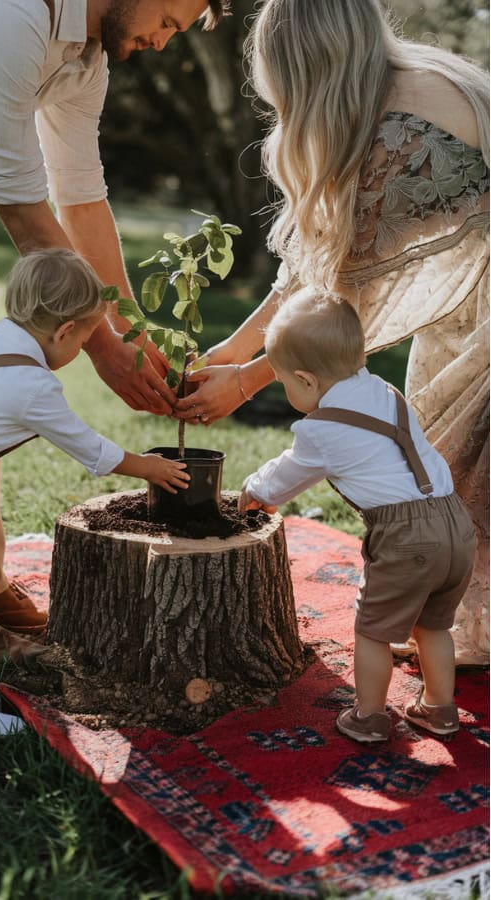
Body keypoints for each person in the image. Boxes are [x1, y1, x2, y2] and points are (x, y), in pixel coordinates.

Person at [0, 0, 230, 657]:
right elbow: (19, 202)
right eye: (169, 20)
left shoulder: (85, 56)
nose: (163, 43)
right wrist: (102, 346)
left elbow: (80, 196)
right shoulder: (9, 15)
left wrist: (131, 332)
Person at [178, 0, 489, 666]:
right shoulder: (400, 83)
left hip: (482, 316)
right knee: (439, 469)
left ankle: (457, 632)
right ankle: (451, 634)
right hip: (465, 310)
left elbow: (340, 310)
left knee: (464, 472)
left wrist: (247, 380)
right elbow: (315, 266)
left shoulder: (395, 134)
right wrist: (237, 347)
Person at [0, 248, 189, 735]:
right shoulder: (32, 384)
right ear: (66, 331)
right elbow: (90, 448)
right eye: (87, 338)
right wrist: (151, 468)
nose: (80, 350)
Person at [238, 290, 476, 743]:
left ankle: (369, 716)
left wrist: (254, 490)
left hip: (406, 536)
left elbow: (286, 475)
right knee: (434, 624)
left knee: (372, 631)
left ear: (306, 381)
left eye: (284, 383)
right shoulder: (385, 392)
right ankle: (440, 710)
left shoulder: (321, 429)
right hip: (454, 523)